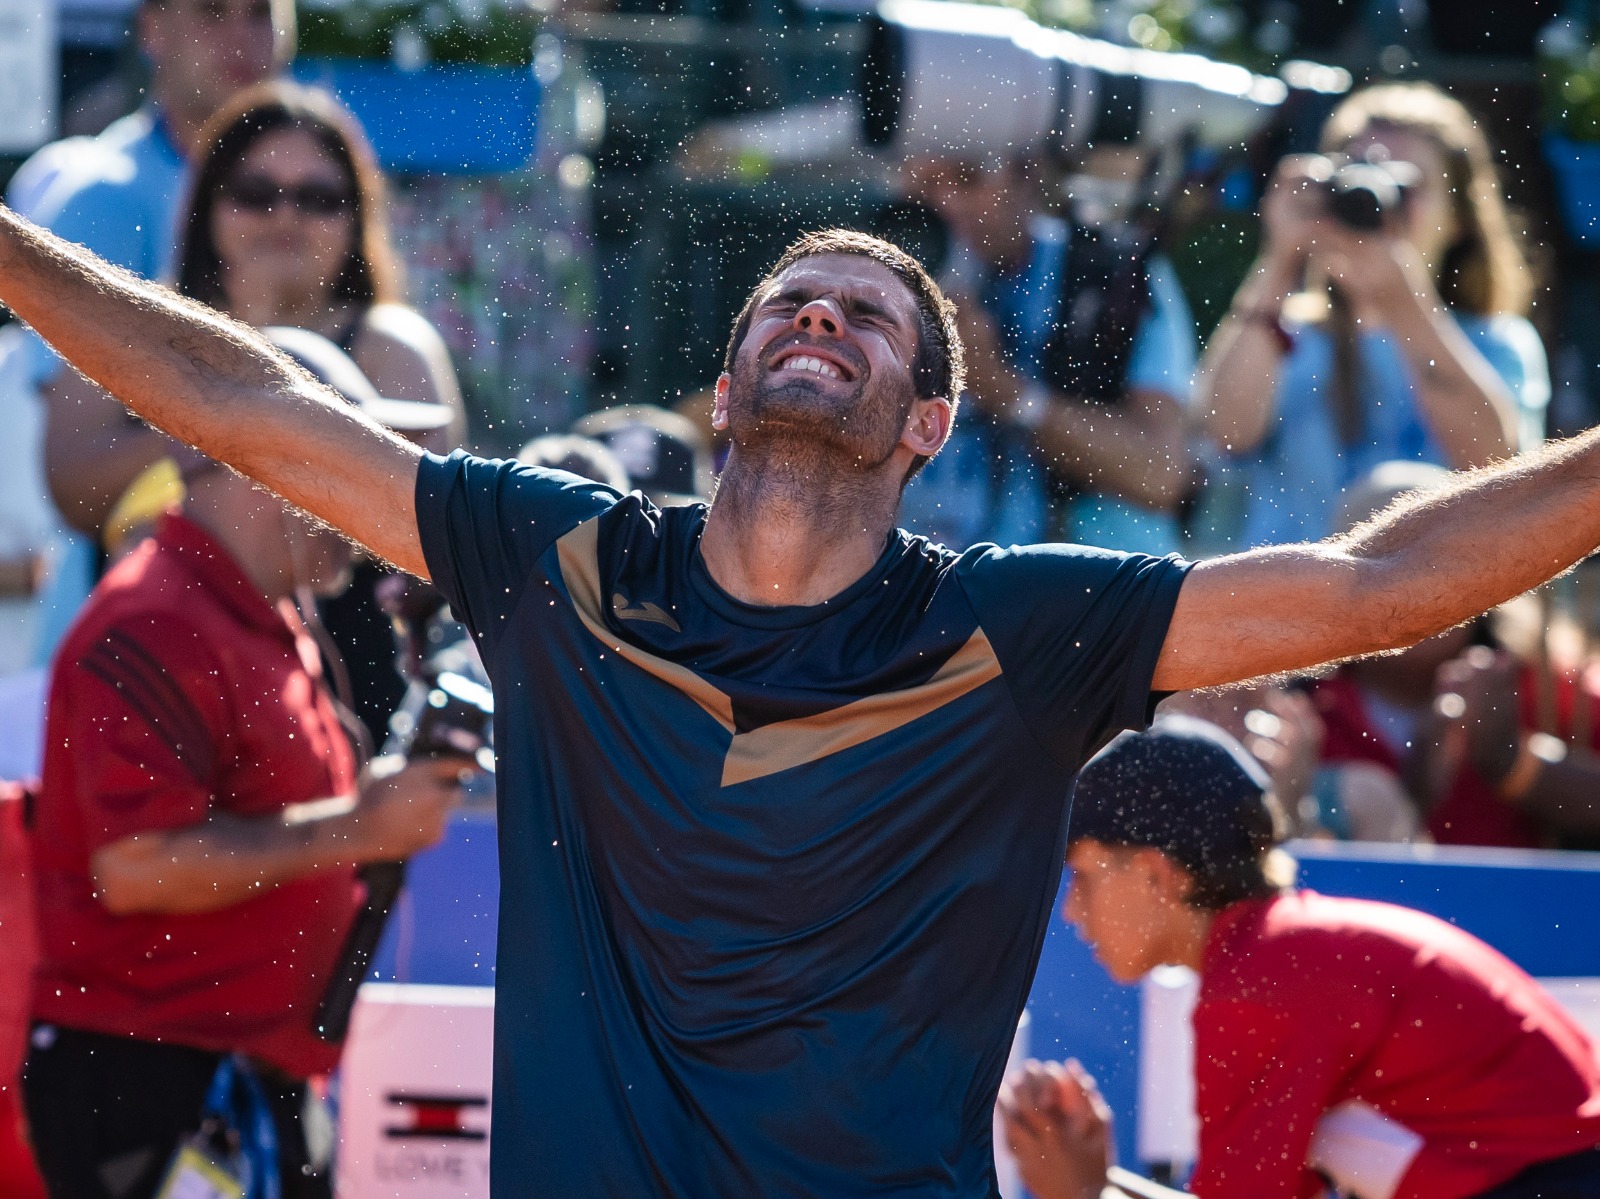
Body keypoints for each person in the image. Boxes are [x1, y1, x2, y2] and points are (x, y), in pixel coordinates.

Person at [10, 210, 1600, 1196]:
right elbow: (244, 400)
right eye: (786, 301)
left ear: (927, 420)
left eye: (867, 312)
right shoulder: (555, 558)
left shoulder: (1016, 623)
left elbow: (1367, 586)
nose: (818, 315)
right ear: (723, 392)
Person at [20, 330, 465, 1199]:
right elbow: (137, 866)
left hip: (225, 1079)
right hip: (152, 1078)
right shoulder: (157, 619)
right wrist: (358, 827)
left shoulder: (253, 607)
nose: (367, 495)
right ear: (263, 463)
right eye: (346, 458)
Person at [1002, 718, 1600, 1199]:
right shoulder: (1281, 951)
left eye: (1082, 876)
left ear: (1160, 876)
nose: (1072, 912)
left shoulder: (1261, 982)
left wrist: (1082, 1194)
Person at [163, 79, 465, 746]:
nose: (285, 217)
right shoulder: (149, 338)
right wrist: (247, 362)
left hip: (351, 703)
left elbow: (422, 538)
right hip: (173, 683)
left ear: (357, 219)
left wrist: (264, 365)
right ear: (206, 207)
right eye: (255, 193)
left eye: (319, 198)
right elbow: (74, 488)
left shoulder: (395, 347)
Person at [5, 0, 295, 659]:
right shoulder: (102, 199)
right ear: (153, 28)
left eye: (260, 12)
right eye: (213, 12)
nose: (242, 36)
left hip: (270, 656)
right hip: (133, 658)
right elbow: (78, 479)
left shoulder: (310, 176)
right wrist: (264, 428)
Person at [1195, 82, 1549, 548]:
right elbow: (1226, 433)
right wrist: (1280, 258)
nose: (1380, 198)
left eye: (1407, 184)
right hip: (1287, 605)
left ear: (1459, 218)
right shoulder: (1286, 335)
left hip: (1429, 611)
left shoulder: (1498, 342)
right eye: (1359, 173)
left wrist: (1403, 305)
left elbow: (1500, 471)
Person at [902, 151, 1197, 553]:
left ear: (1027, 175)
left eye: (969, 179)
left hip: (1091, 588)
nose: (945, 203)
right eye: (923, 189)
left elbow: (1160, 473)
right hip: (945, 595)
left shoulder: (1107, 270)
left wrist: (1005, 392)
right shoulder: (882, 283)